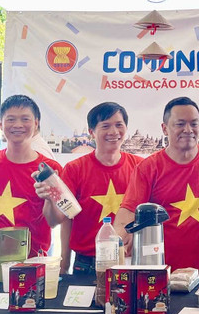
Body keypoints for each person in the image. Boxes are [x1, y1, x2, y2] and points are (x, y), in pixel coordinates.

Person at [114, 97, 199, 276]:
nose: (188, 130)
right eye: (180, 124)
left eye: (194, 124)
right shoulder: (148, 168)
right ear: (164, 128)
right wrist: (117, 240)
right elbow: (128, 212)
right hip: (163, 274)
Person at [38, 102, 143, 274]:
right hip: (86, 264)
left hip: (129, 263)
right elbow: (60, 220)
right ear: (91, 132)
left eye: (119, 125)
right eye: (105, 126)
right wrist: (64, 265)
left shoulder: (140, 167)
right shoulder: (74, 169)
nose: (114, 132)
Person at [0, 95, 62, 272]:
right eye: (11, 119)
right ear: (1, 124)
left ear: (36, 124)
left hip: (33, 267)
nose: (18, 125)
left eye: (25, 119)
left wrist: (49, 199)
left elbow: (54, 221)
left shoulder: (49, 169)